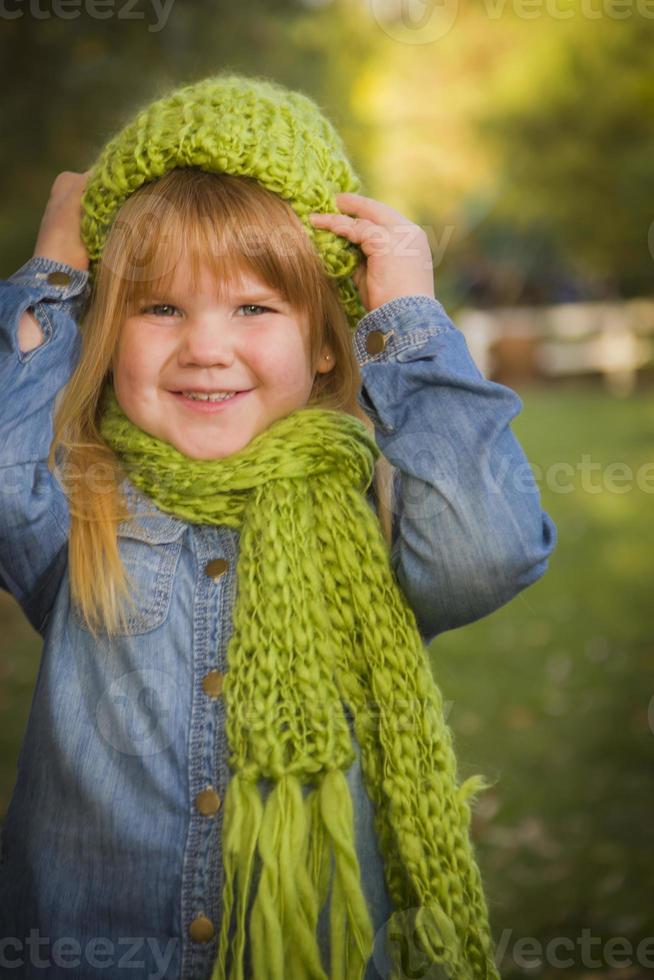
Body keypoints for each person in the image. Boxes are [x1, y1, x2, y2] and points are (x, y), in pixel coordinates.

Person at [0, 73, 556, 980]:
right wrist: (54, 271)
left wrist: (406, 314)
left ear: (328, 342)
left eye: (254, 308)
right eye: (160, 307)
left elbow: (487, 549)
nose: (205, 346)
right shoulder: (81, 504)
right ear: (109, 325)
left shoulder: (376, 508)